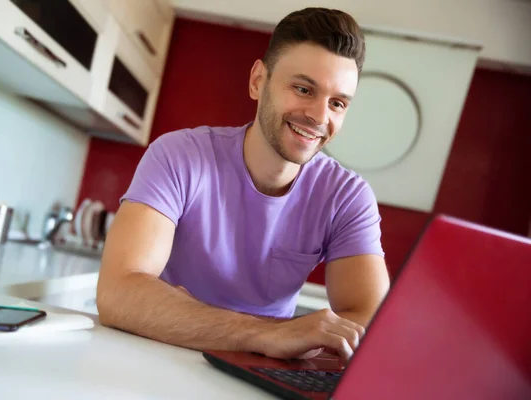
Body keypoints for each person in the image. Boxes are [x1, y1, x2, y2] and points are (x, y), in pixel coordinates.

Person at [97, 7, 390, 362]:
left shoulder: (348, 197)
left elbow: (370, 321)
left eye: (337, 103)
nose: (319, 116)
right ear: (257, 81)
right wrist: (265, 333)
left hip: (261, 370)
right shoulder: (178, 156)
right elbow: (118, 292)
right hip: (160, 354)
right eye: (303, 89)